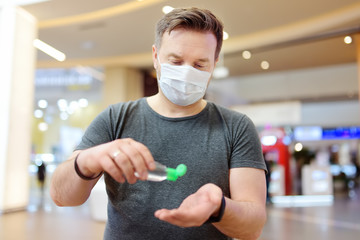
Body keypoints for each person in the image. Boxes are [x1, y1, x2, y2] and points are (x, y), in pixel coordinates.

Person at [50, 7, 267, 240]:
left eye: (199, 65)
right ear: (156, 57)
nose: (186, 73)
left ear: (214, 64)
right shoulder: (116, 118)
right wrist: (87, 160)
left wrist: (219, 207)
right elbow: (62, 196)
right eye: (175, 61)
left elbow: (252, 227)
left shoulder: (236, 127)